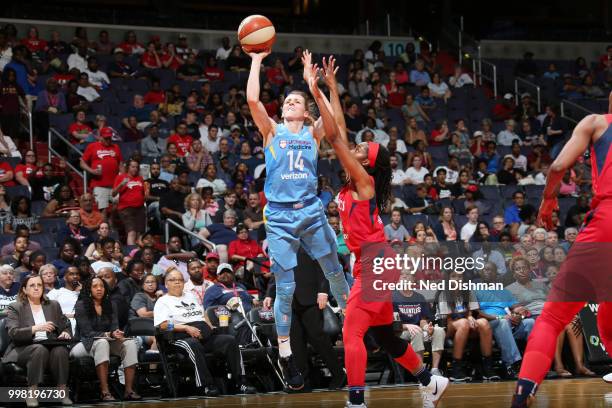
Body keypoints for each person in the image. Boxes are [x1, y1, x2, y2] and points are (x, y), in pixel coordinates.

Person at [312, 55, 448, 407]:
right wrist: (331, 87)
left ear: (367, 163)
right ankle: (430, 381)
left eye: (361, 150)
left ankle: (356, 400)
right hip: (371, 262)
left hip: (376, 264)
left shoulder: (364, 181)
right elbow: (339, 130)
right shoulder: (354, 177)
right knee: (386, 336)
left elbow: (333, 135)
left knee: (351, 331)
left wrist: (315, 92)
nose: (354, 147)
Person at [246, 49, 350, 390]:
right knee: (286, 288)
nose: (290, 102)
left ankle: (355, 323)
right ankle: (286, 353)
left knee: (334, 268)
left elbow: (334, 123)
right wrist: (257, 59)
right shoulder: (272, 131)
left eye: (296, 100)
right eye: (287, 99)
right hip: (278, 216)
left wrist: (317, 86)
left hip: (310, 210)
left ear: (306, 112)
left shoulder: (313, 133)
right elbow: (251, 99)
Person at [511, 106, 612, 406]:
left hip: (607, 222)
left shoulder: (596, 121)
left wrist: (547, 201)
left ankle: (523, 393)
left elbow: (557, 168)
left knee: (553, 317)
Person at [153, 269, 256, 396]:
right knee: (193, 345)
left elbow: (203, 315)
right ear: (166, 283)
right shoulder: (163, 301)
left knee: (229, 340)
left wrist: (210, 326)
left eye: (180, 280)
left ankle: (241, 382)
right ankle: (206, 385)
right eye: (173, 280)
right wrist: (185, 328)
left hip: (203, 333)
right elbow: (162, 326)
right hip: (179, 337)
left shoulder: (190, 296)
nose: (177, 283)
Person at [264, 247, 346, 391]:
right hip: (289, 300)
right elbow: (277, 273)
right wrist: (270, 294)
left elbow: (324, 268)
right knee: (296, 342)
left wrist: (323, 291)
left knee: (318, 339)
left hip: (311, 297)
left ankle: (339, 375)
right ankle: (302, 382)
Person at [3, 275, 73, 407]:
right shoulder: (16, 307)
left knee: (60, 350)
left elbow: (66, 325)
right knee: (39, 349)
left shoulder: (53, 305)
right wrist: (36, 328)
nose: (36, 288)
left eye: (39, 285)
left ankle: (62, 391)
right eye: (32, 285)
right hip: (23, 348)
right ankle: (32, 393)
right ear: (24, 289)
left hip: (50, 346)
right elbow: (13, 333)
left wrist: (65, 332)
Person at [71, 276, 141, 402]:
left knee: (130, 343)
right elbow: (87, 333)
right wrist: (109, 335)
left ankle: (128, 390)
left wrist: (117, 333)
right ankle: (105, 391)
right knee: (102, 343)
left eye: (102, 286)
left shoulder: (111, 304)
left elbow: (114, 328)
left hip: (105, 342)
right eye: (95, 286)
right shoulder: (81, 305)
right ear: (88, 289)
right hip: (83, 344)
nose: (99, 289)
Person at [80, 127, 123, 211]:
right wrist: (92, 171)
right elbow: (82, 162)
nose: (108, 140)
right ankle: (104, 224)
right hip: (99, 185)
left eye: (109, 138)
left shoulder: (116, 147)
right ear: (100, 137)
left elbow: (120, 164)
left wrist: (123, 177)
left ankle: (112, 223)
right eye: (106, 138)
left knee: (120, 207)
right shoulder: (92, 146)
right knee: (102, 209)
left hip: (115, 185)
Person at [112, 159, 145, 245]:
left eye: (136, 167)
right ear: (128, 167)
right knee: (132, 232)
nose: (135, 169)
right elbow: (113, 193)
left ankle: (138, 253)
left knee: (140, 234)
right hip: (126, 209)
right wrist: (121, 184)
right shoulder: (121, 177)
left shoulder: (140, 178)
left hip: (140, 208)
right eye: (133, 167)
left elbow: (142, 193)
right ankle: (131, 253)